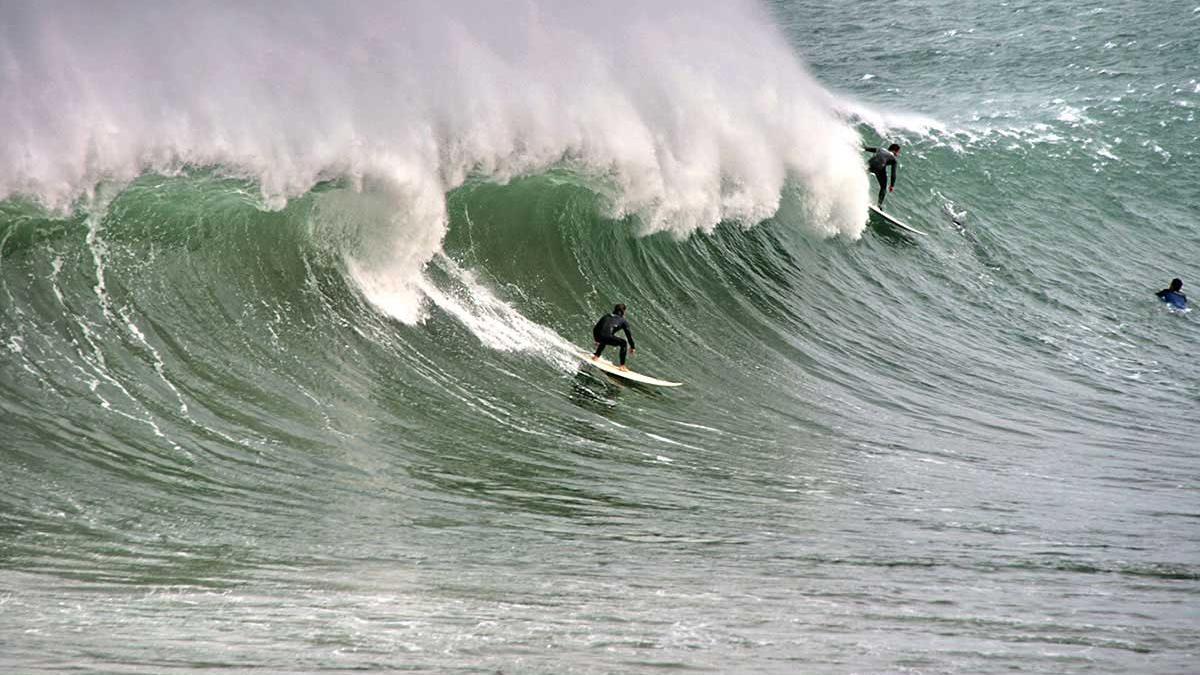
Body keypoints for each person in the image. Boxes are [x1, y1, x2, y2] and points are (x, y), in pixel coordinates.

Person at [592, 303, 636, 371]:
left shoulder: (606, 316)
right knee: (623, 343)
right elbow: (629, 335)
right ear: (623, 312)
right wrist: (632, 347)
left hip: (597, 335)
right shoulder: (623, 321)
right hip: (605, 337)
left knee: (606, 338)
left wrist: (596, 339)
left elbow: (596, 327)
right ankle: (622, 366)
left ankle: (596, 356)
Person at [864, 143, 901, 208]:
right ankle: (879, 205)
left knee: (862, 173)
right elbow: (893, 174)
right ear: (895, 151)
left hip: (870, 164)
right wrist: (892, 185)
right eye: (898, 152)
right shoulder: (894, 159)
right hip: (879, 167)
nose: (898, 154)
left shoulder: (881, 149)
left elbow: (867, 148)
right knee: (883, 187)